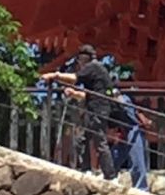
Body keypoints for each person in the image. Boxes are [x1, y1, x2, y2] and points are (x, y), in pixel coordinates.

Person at [40, 46, 117, 179]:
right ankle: (86, 169)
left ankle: (110, 176)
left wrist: (55, 75)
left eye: (80, 60)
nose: (79, 63)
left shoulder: (92, 67)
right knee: (84, 138)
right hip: (95, 107)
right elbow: (88, 94)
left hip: (97, 109)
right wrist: (74, 93)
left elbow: (74, 78)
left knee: (100, 141)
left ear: (84, 58)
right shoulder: (98, 69)